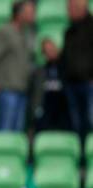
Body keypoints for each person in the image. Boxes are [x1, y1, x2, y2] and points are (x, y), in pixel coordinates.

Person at [0, 0, 36, 131]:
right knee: (6, 131)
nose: (33, 15)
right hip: (8, 90)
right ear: (20, 14)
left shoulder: (25, 33)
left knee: (17, 134)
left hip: (22, 90)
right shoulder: (5, 32)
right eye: (30, 12)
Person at [60, 0, 93, 139]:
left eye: (72, 7)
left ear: (82, 8)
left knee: (91, 121)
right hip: (72, 84)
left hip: (89, 83)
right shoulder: (69, 31)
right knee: (76, 124)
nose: (69, 11)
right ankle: (80, 155)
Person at [33, 38, 72, 131]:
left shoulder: (67, 68)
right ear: (44, 54)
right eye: (47, 50)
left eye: (52, 49)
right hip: (46, 108)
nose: (51, 52)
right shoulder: (41, 71)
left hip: (63, 108)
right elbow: (36, 94)